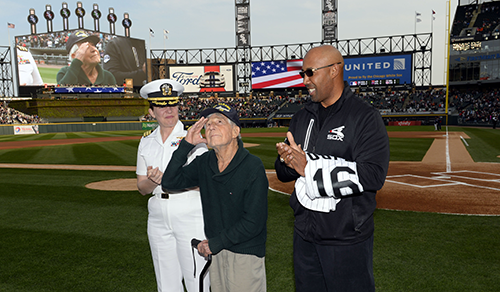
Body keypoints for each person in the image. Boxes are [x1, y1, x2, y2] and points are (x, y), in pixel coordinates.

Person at [275, 45, 390, 292]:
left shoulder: (364, 117)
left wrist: (309, 169)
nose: (305, 80)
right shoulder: (302, 117)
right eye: (303, 74)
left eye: (310, 72)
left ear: (334, 70)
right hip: (305, 235)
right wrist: (287, 160)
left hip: (346, 239)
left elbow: (373, 175)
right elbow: (284, 174)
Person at [162, 102, 268, 292]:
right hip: (217, 252)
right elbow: (169, 182)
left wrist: (214, 243)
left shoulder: (252, 166)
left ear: (235, 131)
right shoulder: (205, 162)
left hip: (244, 254)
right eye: (208, 124)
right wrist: (186, 145)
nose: (211, 127)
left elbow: (254, 222)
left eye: (219, 121)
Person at [136, 79, 209, 292]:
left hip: (189, 212)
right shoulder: (146, 140)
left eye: (173, 104)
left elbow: (204, 183)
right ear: (151, 112)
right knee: (166, 284)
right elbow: (141, 187)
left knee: (198, 281)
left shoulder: (193, 138)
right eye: (161, 105)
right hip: (158, 214)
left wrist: (172, 180)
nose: (169, 110)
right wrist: (153, 181)